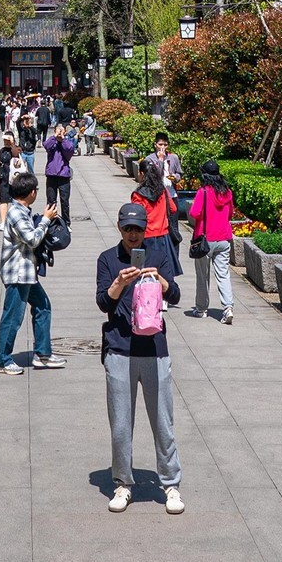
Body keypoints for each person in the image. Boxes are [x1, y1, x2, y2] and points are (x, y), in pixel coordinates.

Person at [96, 201, 183, 515]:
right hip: (119, 349)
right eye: (127, 228)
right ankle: (123, 483)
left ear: (146, 229)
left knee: (163, 422)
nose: (133, 235)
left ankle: (171, 484)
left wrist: (161, 281)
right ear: (119, 228)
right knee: (120, 424)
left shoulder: (159, 256)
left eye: (138, 228)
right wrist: (120, 283)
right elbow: (103, 302)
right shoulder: (107, 259)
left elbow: (175, 296)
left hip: (155, 350)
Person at [0, 169, 65, 376]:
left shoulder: (21, 210)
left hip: (27, 273)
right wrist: (45, 219)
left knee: (43, 306)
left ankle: (43, 354)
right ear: (31, 192)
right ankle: (2, 360)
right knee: (13, 317)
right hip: (18, 274)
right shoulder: (16, 213)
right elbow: (32, 239)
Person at [189, 158, 236, 324]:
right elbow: (230, 214)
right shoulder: (227, 192)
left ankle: (201, 309)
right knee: (223, 275)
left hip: (205, 239)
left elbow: (194, 213)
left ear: (205, 175)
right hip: (223, 238)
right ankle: (227, 308)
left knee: (203, 276)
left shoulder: (203, 192)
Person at [132, 159, 182, 277]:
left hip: (145, 238)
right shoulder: (163, 191)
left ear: (142, 174)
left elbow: (137, 217)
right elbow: (173, 209)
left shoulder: (138, 195)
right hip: (163, 237)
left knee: (144, 274)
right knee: (164, 274)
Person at [43, 120, 76, 226]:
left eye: (62, 130)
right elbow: (46, 145)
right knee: (51, 200)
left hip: (63, 175)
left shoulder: (67, 142)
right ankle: (51, 222)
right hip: (51, 174)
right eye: (58, 130)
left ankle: (66, 223)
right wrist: (54, 137)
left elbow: (70, 150)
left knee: (65, 201)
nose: (60, 132)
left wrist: (62, 140)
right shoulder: (52, 142)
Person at [0, 132, 23, 232]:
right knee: (3, 200)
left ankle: (17, 221)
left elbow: (16, 154)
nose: (6, 142)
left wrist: (12, 144)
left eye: (8, 139)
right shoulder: (2, 150)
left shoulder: (17, 148)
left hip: (15, 178)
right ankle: (3, 222)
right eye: (5, 140)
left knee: (17, 200)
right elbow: (4, 158)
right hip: (4, 178)